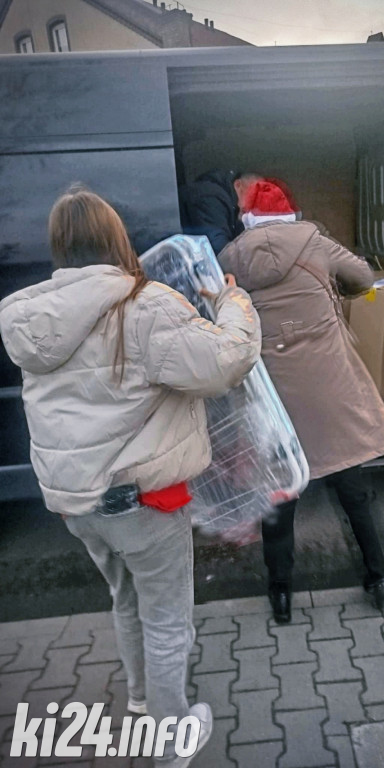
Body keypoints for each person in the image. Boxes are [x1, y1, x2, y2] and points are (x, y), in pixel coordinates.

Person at [0, 186, 261, 767]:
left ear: (59, 245)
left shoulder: (26, 316)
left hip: (76, 504)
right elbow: (226, 361)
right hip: (145, 502)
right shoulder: (145, 304)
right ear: (115, 238)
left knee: (125, 599)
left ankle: (143, 700)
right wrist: (234, 303)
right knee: (167, 621)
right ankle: (171, 742)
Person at [218, 179, 384, 623]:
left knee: (280, 498)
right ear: (291, 212)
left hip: (273, 400)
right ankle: (379, 581)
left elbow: (221, 313)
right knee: (356, 491)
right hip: (331, 390)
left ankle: (281, 595)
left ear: (246, 217)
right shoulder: (316, 242)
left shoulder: (229, 257)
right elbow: (362, 278)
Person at [182, 169, 262, 254]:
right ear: (238, 185)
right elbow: (218, 249)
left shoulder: (232, 205)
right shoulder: (210, 197)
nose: (254, 201)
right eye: (253, 195)